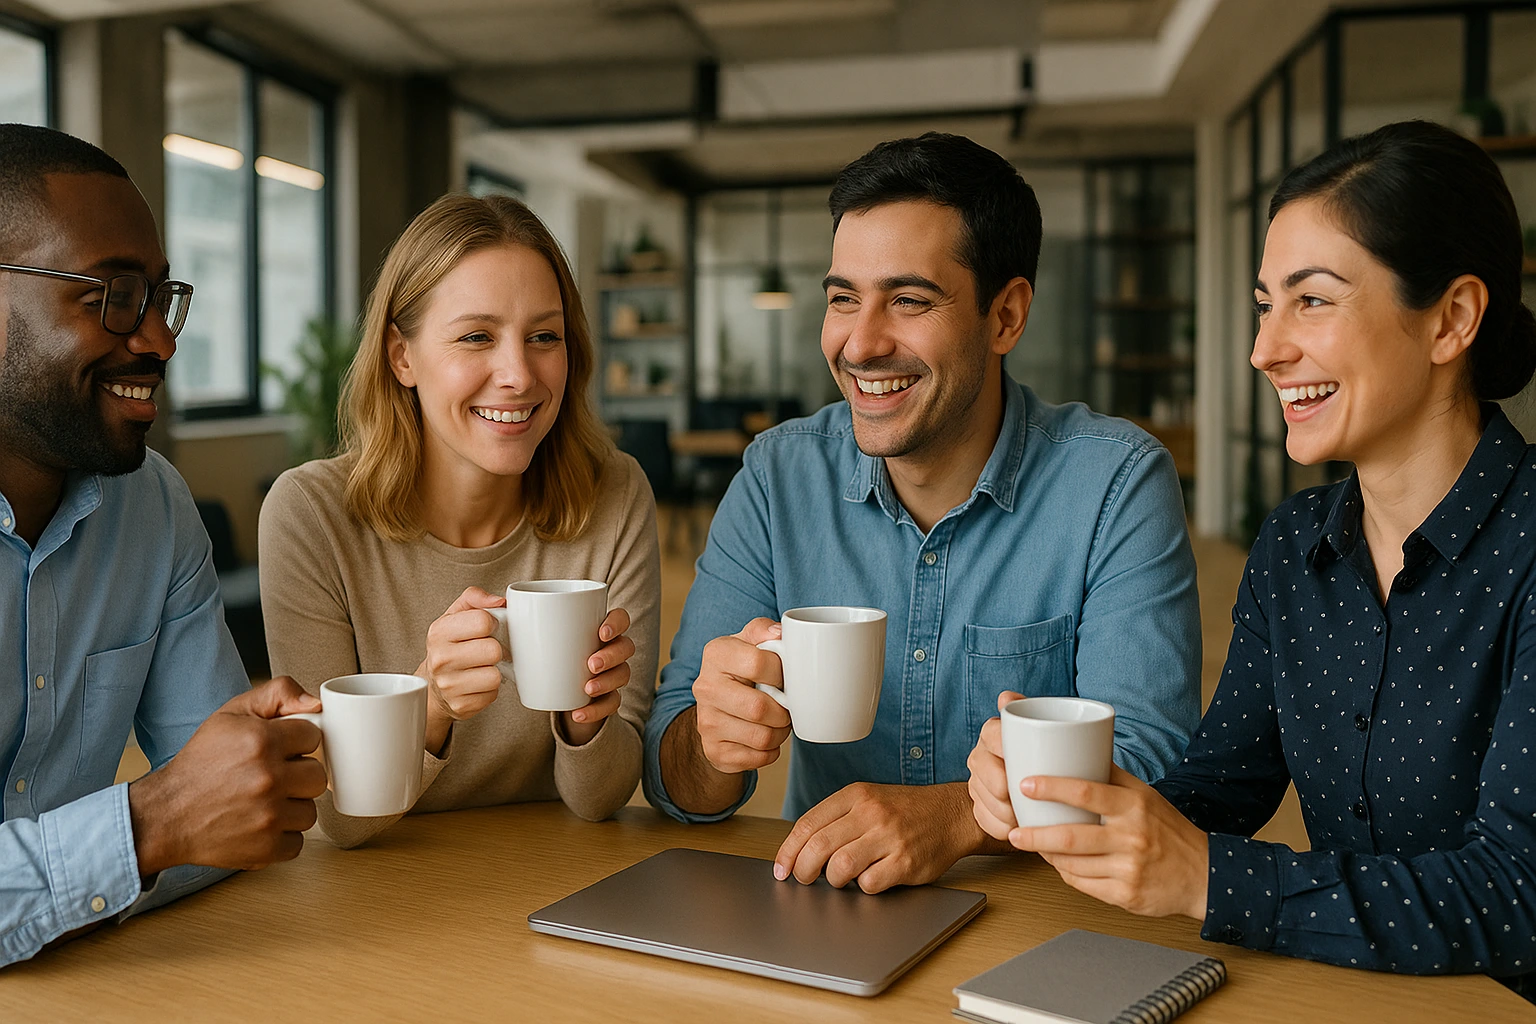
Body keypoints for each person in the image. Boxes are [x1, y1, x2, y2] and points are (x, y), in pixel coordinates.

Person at [966, 120, 1536, 997]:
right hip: (1353, 999)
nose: (1265, 350)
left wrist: (1207, 877)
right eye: (1267, 304)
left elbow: (1515, 893)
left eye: (1313, 301)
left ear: (1451, 319)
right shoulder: (1294, 545)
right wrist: (1072, 800)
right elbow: (1222, 786)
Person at [643, 132, 1201, 893]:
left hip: (1048, 911)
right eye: (843, 299)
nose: (860, 344)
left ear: (1006, 317)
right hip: (831, 909)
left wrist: (956, 819)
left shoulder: (1116, 483)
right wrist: (712, 743)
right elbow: (673, 776)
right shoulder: (778, 476)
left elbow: (1155, 766)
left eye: (908, 300)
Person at [0, 124, 326, 967]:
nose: (159, 340)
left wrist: (206, 805)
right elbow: (182, 820)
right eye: (112, 296)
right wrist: (149, 824)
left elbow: (227, 821)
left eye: (158, 297)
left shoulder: (151, 505)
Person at [259, 193, 657, 848]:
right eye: (477, 337)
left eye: (544, 337)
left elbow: (600, 800)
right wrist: (430, 704)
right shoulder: (310, 516)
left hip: (565, 874)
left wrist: (585, 717)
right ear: (401, 356)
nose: (518, 375)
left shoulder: (614, 494)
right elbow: (343, 819)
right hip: (389, 893)